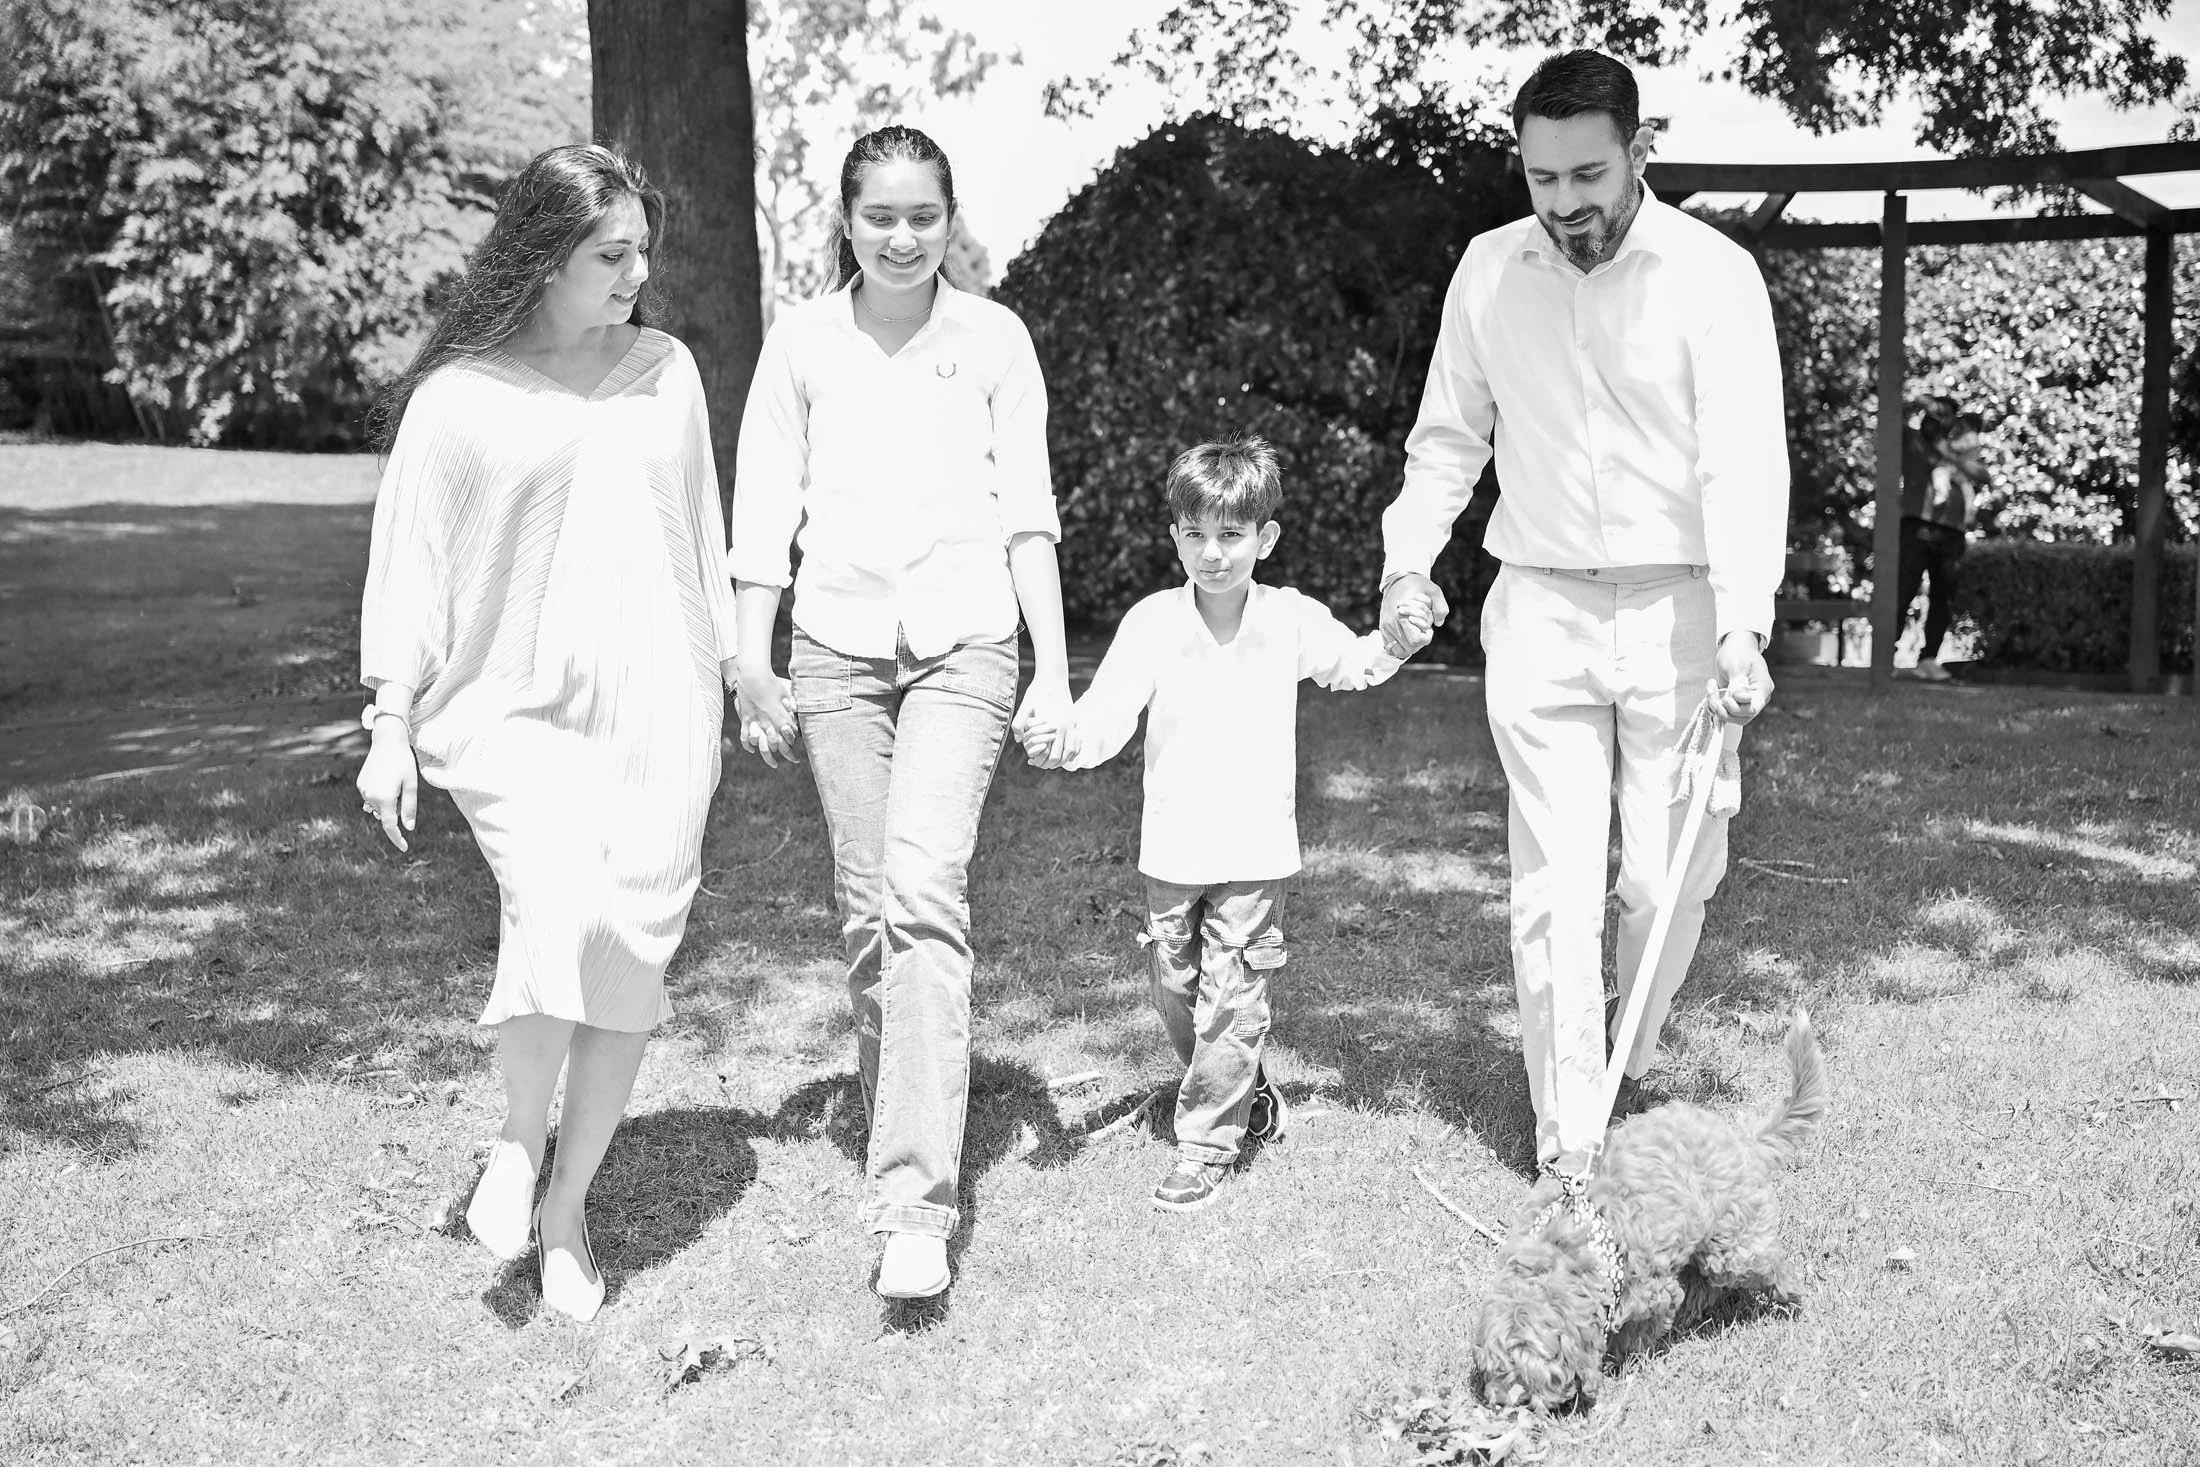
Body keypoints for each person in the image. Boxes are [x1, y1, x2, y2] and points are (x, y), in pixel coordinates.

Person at [1376, 50, 1786, 1179]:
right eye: (1542, 177)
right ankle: (1571, 1140)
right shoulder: (1485, 272)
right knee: (1553, 885)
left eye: (1588, 174)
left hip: (1682, 611)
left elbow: (1743, 467)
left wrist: (1743, 621)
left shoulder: (1712, 276)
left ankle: (1623, 1052)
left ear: (1638, 150)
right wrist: (1407, 563)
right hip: (1542, 610)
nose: (1564, 204)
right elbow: (1447, 441)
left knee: (1666, 883)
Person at [355, 144, 737, 1323]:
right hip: (512, 707)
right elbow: (409, 566)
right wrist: (389, 720)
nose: (635, 275)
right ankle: (520, 1142)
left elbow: (699, 533)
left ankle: (565, 1207)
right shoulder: (459, 397)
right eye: (608, 255)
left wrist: (736, 669)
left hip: (660, 707)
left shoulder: (666, 369)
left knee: (626, 952)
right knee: (558, 909)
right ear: (543, 256)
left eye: (641, 253)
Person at [727, 125, 1071, 1300]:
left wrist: (1057, 672)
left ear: (951, 216)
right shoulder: (802, 345)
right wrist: (749, 658)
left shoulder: (992, 340)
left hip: (966, 648)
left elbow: (1029, 515)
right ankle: (904, 1105)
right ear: (846, 218)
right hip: (834, 654)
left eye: (924, 214)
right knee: (870, 912)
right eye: (881, 214)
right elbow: (764, 512)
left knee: (924, 888)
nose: (904, 235)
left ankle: (914, 1202)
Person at [1027, 436, 1414, 1211]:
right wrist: (1064, 738)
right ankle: (1249, 1090)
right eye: (1195, 534)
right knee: (1177, 987)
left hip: (1256, 851)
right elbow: (1105, 717)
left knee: (1234, 997)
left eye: (1231, 535)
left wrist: (1398, 642)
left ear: (1264, 539)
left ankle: (1206, 1142)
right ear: (1174, 536)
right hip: (1172, 848)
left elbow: (1354, 661)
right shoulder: (1151, 623)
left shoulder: (1289, 618)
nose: (1212, 553)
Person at [1896, 406, 1985, 681]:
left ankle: (1929, 659)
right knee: (1904, 589)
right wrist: (1917, 404)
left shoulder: (1959, 449)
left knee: (1943, 596)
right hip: (1917, 525)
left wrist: (1950, 455)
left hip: (1953, 531)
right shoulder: (1913, 440)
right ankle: (1884, 656)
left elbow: (1983, 475)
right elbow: (1893, 418)